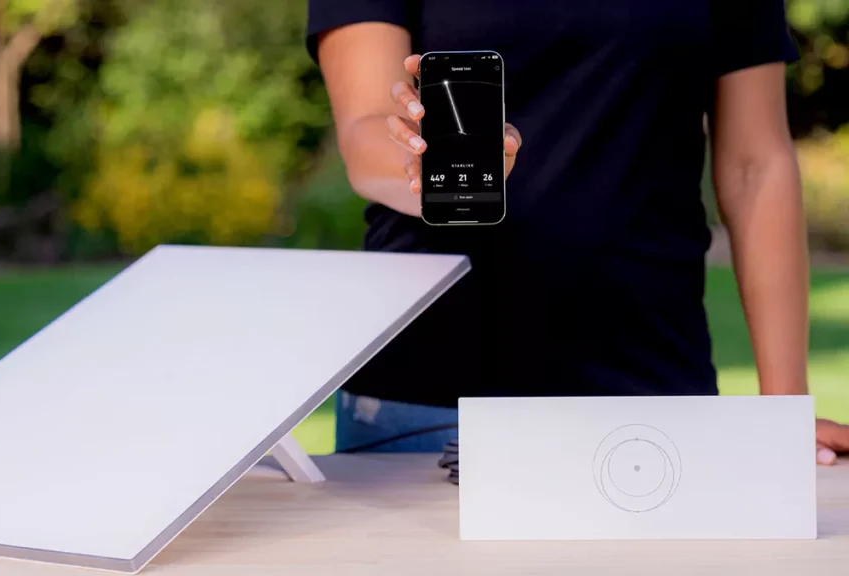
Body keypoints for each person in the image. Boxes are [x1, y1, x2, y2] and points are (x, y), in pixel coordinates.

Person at [305, 0, 849, 464]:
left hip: (656, 395)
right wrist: (437, 170)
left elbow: (756, 165)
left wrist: (784, 408)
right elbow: (366, 130)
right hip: (426, 407)